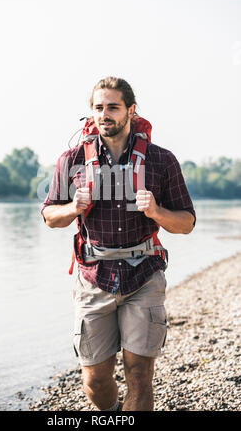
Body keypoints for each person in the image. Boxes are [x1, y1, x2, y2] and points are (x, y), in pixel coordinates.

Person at [41, 77, 196, 411]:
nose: (105, 114)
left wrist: (156, 212)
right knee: (94, 379)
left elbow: (187, 223)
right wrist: (72, 207)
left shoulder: (161, 160)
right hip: (92, 278)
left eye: (113, 107)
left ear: (131, 111)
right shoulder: (71, 160)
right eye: (99, 107)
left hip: (144, 276)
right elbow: (50, 216)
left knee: (140, 374)